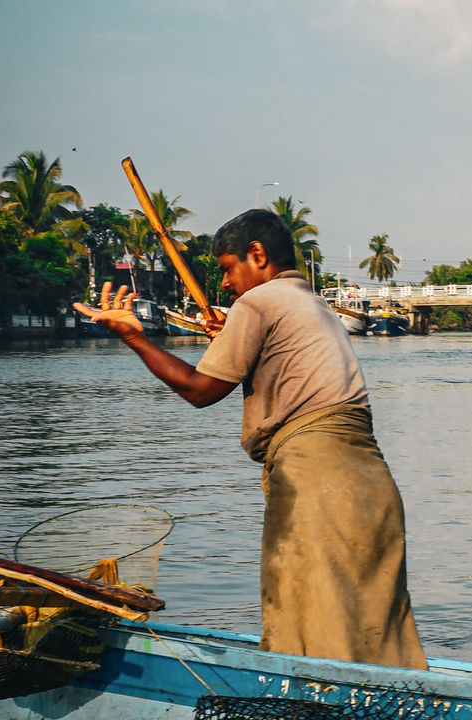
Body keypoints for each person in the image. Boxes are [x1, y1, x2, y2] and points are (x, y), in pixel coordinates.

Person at [74, 209, 426, 669]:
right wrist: (233, 335)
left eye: (226, 268)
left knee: (306, 625)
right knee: (372, 631)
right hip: (369, 485)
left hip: (318, 481)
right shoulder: (315, 305)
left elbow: (200, 391)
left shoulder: (259, 304)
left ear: (256, 255)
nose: (224, 283)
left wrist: (132, 337)